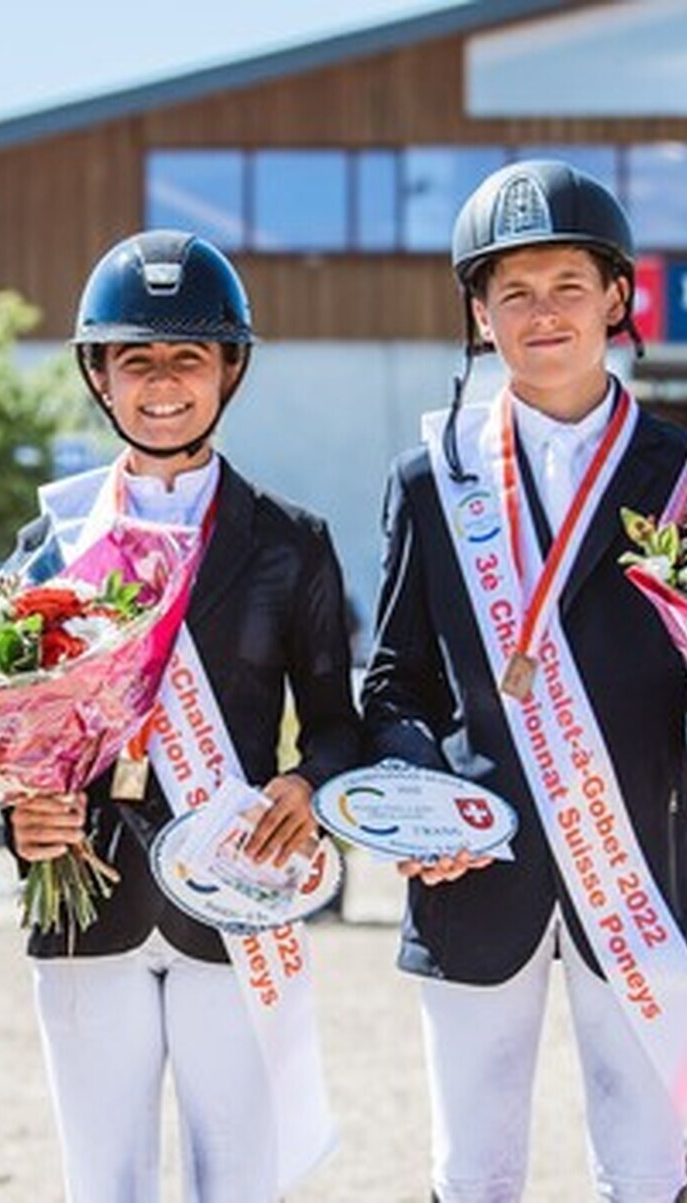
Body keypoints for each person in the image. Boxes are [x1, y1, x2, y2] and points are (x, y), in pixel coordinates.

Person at [3, 229, 360, 1202]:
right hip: (86, 907)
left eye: (186, 358)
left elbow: (337, 726)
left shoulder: (293, 545)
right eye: (136, 360)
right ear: (98, 376)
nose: (162, 382)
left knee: (237, 1184)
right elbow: (8, 730)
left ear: (228, 370)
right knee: (102, 1185)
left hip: (232, 904)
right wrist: (20, 815)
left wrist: (306, 783)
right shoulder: (48, 544)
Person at [362, 159, 687, 1201]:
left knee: (650, 1165)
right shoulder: (431, 477)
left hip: (645, 870)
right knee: (473, 1171)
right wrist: (420, 811)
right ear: (478, 311)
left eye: (564, 288)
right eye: (513, 293)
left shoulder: (678, 471)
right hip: (476, 882)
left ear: (612, 298)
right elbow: (393, 685)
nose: (541, 314)